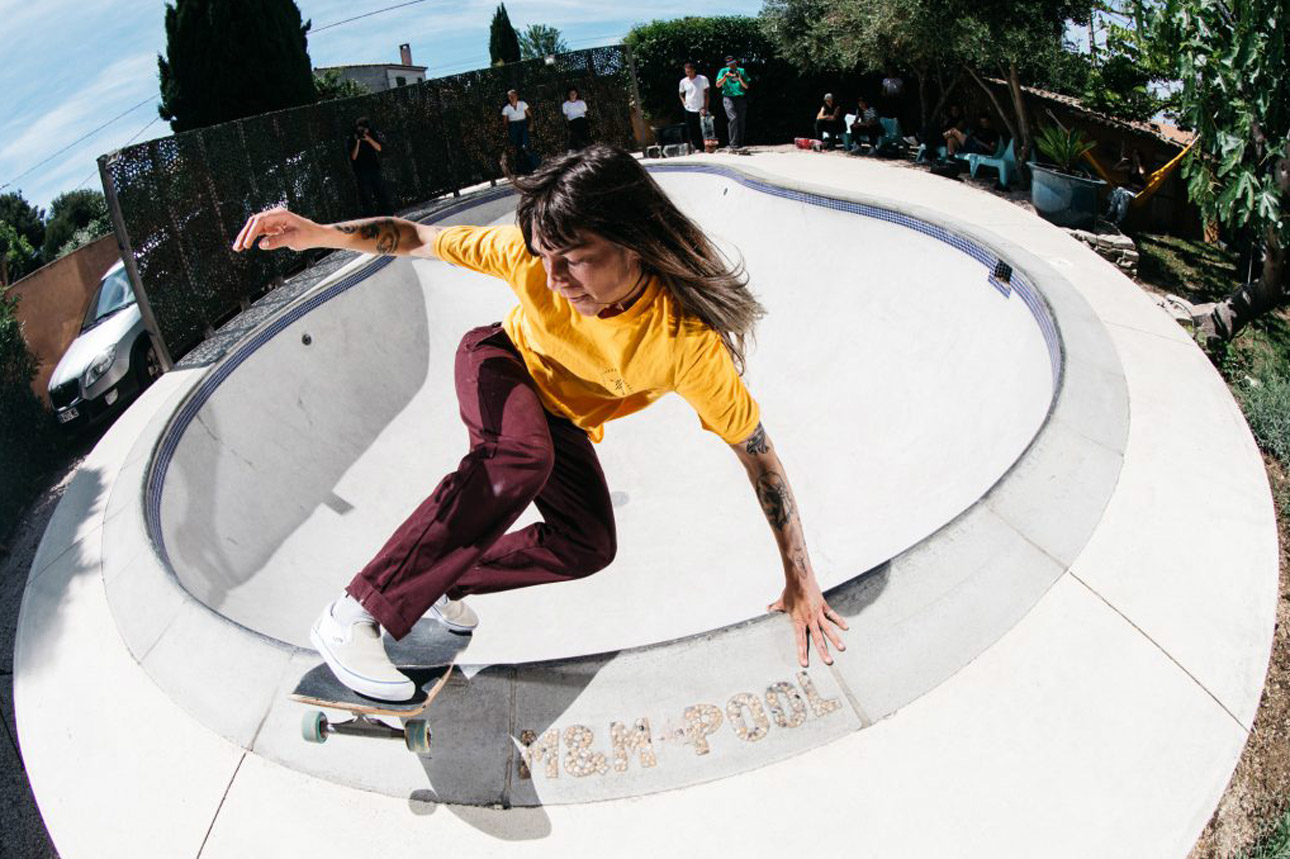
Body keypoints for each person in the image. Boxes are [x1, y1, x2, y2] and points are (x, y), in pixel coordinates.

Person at [230, 144, 848, 700]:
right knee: (522, 457)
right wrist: (318, 235)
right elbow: (416, 238)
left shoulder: (684, 343)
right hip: (498, 362)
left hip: (563, 419)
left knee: (588, 546)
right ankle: (355, 612)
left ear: (633, 243)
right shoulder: (531, 259)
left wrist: (801, 580)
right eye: (546, 259)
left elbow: (757, 454)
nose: (553, 280)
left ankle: (443, 586)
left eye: (575, 261)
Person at [348, 117, 392, 216]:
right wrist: (358, 142)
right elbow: (353, 157)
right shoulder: (353, 138)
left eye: (366, 129)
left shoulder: (371, 134)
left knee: (380, 191)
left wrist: (368, 139)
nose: (364, 131)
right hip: (361, 171)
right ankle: (370, 216)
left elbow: (379, 148)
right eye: (362, 129)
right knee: (366, 196)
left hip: (374, 168)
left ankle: (387, 213)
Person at [715, 56, 751, 150]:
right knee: (733, 118)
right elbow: (718, 85)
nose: (731, 66)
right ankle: (733, 144)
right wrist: (725, 77)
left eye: (732, 63)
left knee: (741, 120)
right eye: (729, 64)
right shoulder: (723, 71)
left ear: (735, 62)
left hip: (740, 98)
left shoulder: (741, 71)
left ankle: (740, 144)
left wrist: (740, 78)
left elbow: (746, 87)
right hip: (728, 98)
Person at [1105, 148, 1147, 226]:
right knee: (1118, 190)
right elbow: (1115, 169)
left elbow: (1142, 173)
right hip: (1128, 189)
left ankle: (1119, 220)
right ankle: (1110, 213)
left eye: (1136, 155)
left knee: (1124, 194)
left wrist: (1138, 163)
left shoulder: (1141, 168)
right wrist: (1121, 161)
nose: (1134, 156)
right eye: (1133, 154)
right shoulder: (1130, 167)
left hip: (1136, 192)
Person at [678, 61, 711, 153]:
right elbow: (681, 93)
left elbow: (707, 93)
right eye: (686, 72)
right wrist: (684, 103)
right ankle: (698, 147)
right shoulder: (683, 81)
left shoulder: (702, 79)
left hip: (701, 106)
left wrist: (705, 107)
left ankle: (709, 146)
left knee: (705, 127)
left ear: (694, 70)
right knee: (693, 128)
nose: (688, 73)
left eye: (690, 71)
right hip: (689, 107)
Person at [502, 90, 535, 174]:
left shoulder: (523, 104)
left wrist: (531, 125)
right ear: (508, 98)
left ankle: (533, 167)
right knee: (518, 148)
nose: (512, 98)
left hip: (523, 125)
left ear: (517, 96)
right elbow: (505, 122)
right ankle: (522, 170)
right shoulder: (506, 108)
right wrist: (508, 131)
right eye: (510, 96)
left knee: (525, 146)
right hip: (513, 127)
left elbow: (530, 116)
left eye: (514, 95)